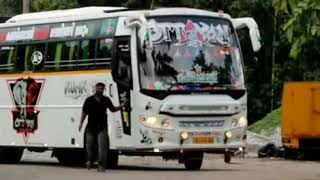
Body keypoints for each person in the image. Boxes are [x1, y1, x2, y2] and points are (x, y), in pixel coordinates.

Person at [78, 82, 127, 172]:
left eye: (101, 89)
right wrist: (81, 123)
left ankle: (101, 165)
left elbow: (112, 109)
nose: (99, 90)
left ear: (103, 90)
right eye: (98, 88)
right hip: (91, 127)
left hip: (102, 127)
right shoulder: (89, 100)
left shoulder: (106, 99)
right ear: (95, 89)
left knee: (102, 147)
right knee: (89, 146)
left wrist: (121, 106)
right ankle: (89, 161)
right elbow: (84, 112)